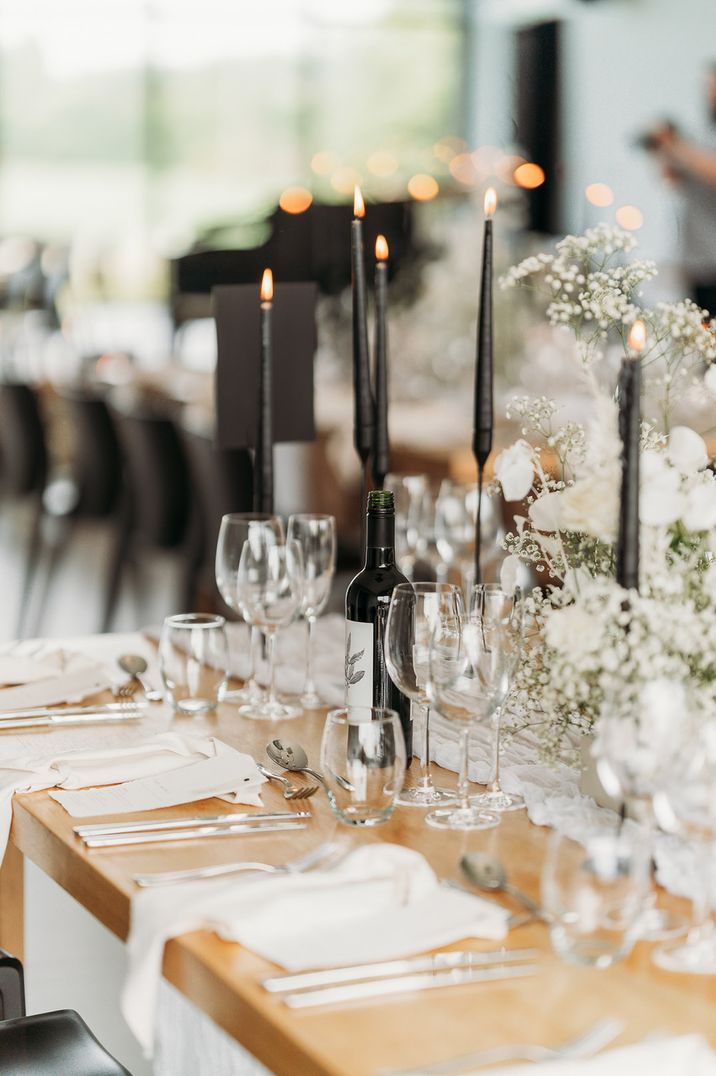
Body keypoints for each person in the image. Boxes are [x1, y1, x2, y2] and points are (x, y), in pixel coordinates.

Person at [646, 64, 716, 315]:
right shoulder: (701, 134)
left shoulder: (690, 145)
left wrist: (678, 147)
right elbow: (670, 180)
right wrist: (661, 150)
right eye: (708, 86)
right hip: (696, 254)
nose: (710, 93)